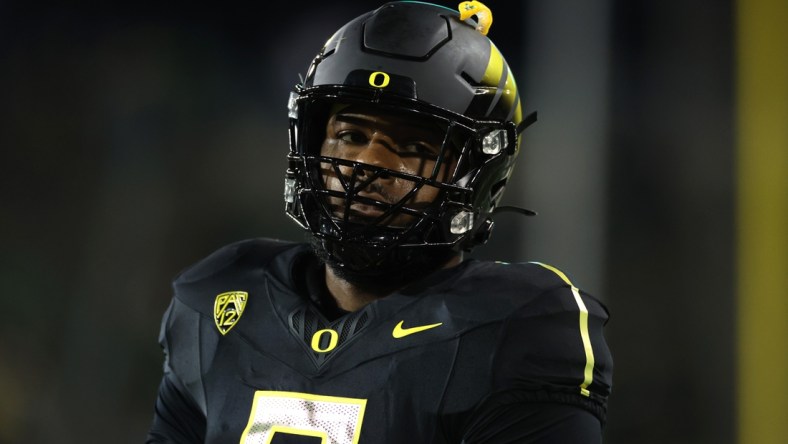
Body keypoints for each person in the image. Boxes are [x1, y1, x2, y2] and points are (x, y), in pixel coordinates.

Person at [146, 1, 613, 443]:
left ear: (477, 176)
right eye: (350, 134)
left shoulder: (514, 330)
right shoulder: (218, 303)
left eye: (413, 148)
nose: (367, 164)